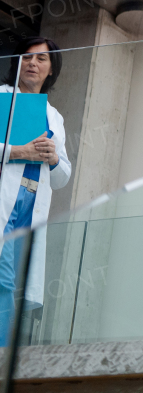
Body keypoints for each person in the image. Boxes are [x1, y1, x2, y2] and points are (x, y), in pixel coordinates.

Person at [0, 37, 72, 342]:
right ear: (16, 64)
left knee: (14, 284)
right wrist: (19, 151)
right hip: (5, 201)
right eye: (27, 57)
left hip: (30, 208)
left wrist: (53, 157)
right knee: (4, 280)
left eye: (41, 59)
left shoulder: (54, 117)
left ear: (51, 70)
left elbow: (63, 177)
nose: (32, 63)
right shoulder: (2, 98)